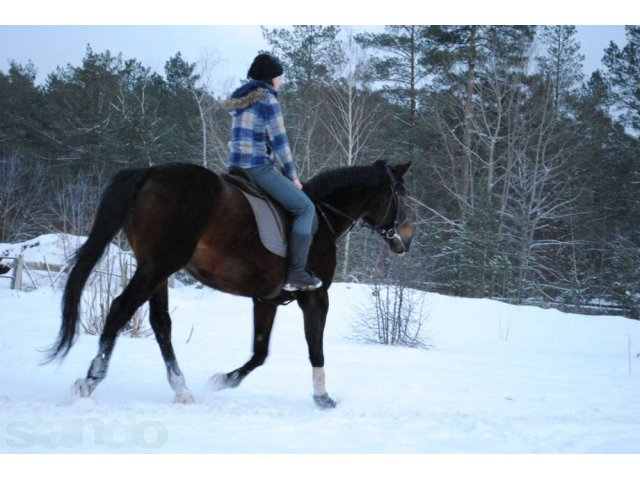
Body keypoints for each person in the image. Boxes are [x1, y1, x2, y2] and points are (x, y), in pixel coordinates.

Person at [222, 53, 322, 292]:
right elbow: (280, 142)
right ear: (270, 78)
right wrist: (293, 176)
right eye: (280, 77)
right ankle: (296, 272)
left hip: (234, 167)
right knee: (305, 208)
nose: (282, 82)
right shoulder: (268, 100)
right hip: (257, 167)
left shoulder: (241, 100)